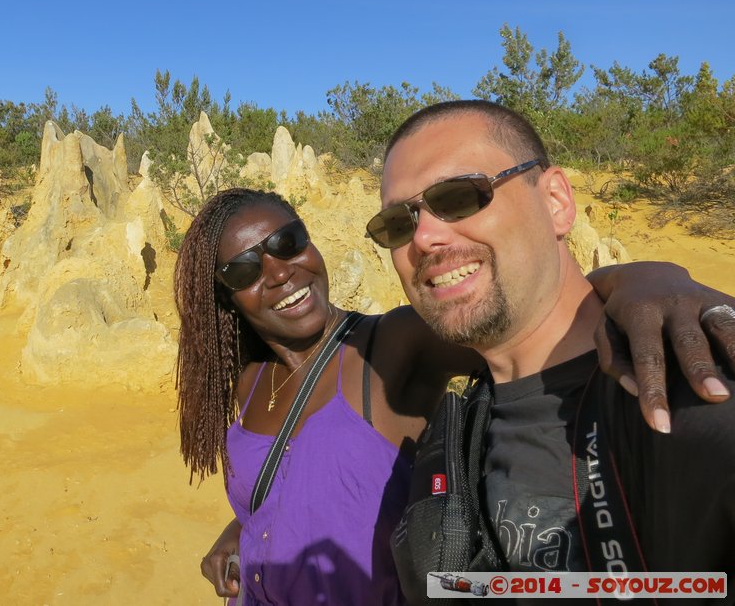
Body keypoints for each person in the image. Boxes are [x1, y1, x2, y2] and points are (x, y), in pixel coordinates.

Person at [177, 186, 734, 604]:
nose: (279, 271)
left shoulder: (391, 346)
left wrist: (654, 278)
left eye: (288, 242)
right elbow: (303, 482)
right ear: (226, 298)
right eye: (246, 268)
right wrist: (247, 530)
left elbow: (542, 311)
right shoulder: (249, 382)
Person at [374, 100, 735, 601]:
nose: (425, 237)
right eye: (397, 223)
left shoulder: (689, 395)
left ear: (557, 203)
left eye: (458, 196)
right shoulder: (465, 426)